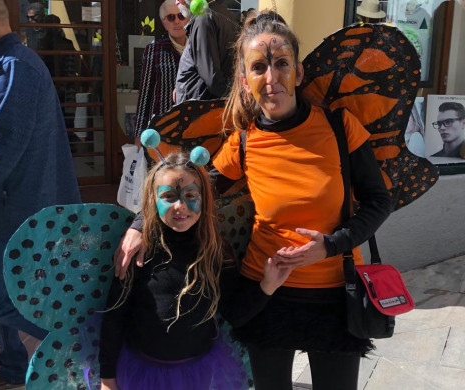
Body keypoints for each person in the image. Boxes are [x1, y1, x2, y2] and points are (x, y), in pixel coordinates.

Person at [114, 10, 391, 390]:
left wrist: (331, 245)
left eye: (281, 64)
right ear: (245, 81)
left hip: (336, 295)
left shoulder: (340, 127)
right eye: (259, 67)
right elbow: (190, 188)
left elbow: (379, 200)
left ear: (299, 71)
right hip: (265, 293)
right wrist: (140, 224)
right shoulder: (244, 141)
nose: (272, 78)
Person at [99, 151, 291, 390]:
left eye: (190, 195)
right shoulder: (138, 252)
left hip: (198, 371)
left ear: (204, 199)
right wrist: (107, 378)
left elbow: (234, 313)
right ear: (153, 200)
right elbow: (114, 317)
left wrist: (267, 286)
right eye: (168, 196)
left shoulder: (216, 252)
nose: (180, 206)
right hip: (142, 373)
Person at [0, 1, 81, 388]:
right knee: (0, 298)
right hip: (5, 207)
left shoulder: (14, 68)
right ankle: (12, 371)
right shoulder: (2, 64)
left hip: (18, 210)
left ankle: (81, 347)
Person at [134, 0, 188, 147]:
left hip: (191, 124)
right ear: (164, 23)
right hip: (162, 127)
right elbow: (146, 93)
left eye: (181, 16)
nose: (177, 21)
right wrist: (139, 132)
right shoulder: (154, 50)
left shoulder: (197, 48)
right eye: (171, 17)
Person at [174, 0, 238, 103]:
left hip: (201, 109)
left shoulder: (203, 19)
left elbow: (212, 78)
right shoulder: (221, 13)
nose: (177, 1)